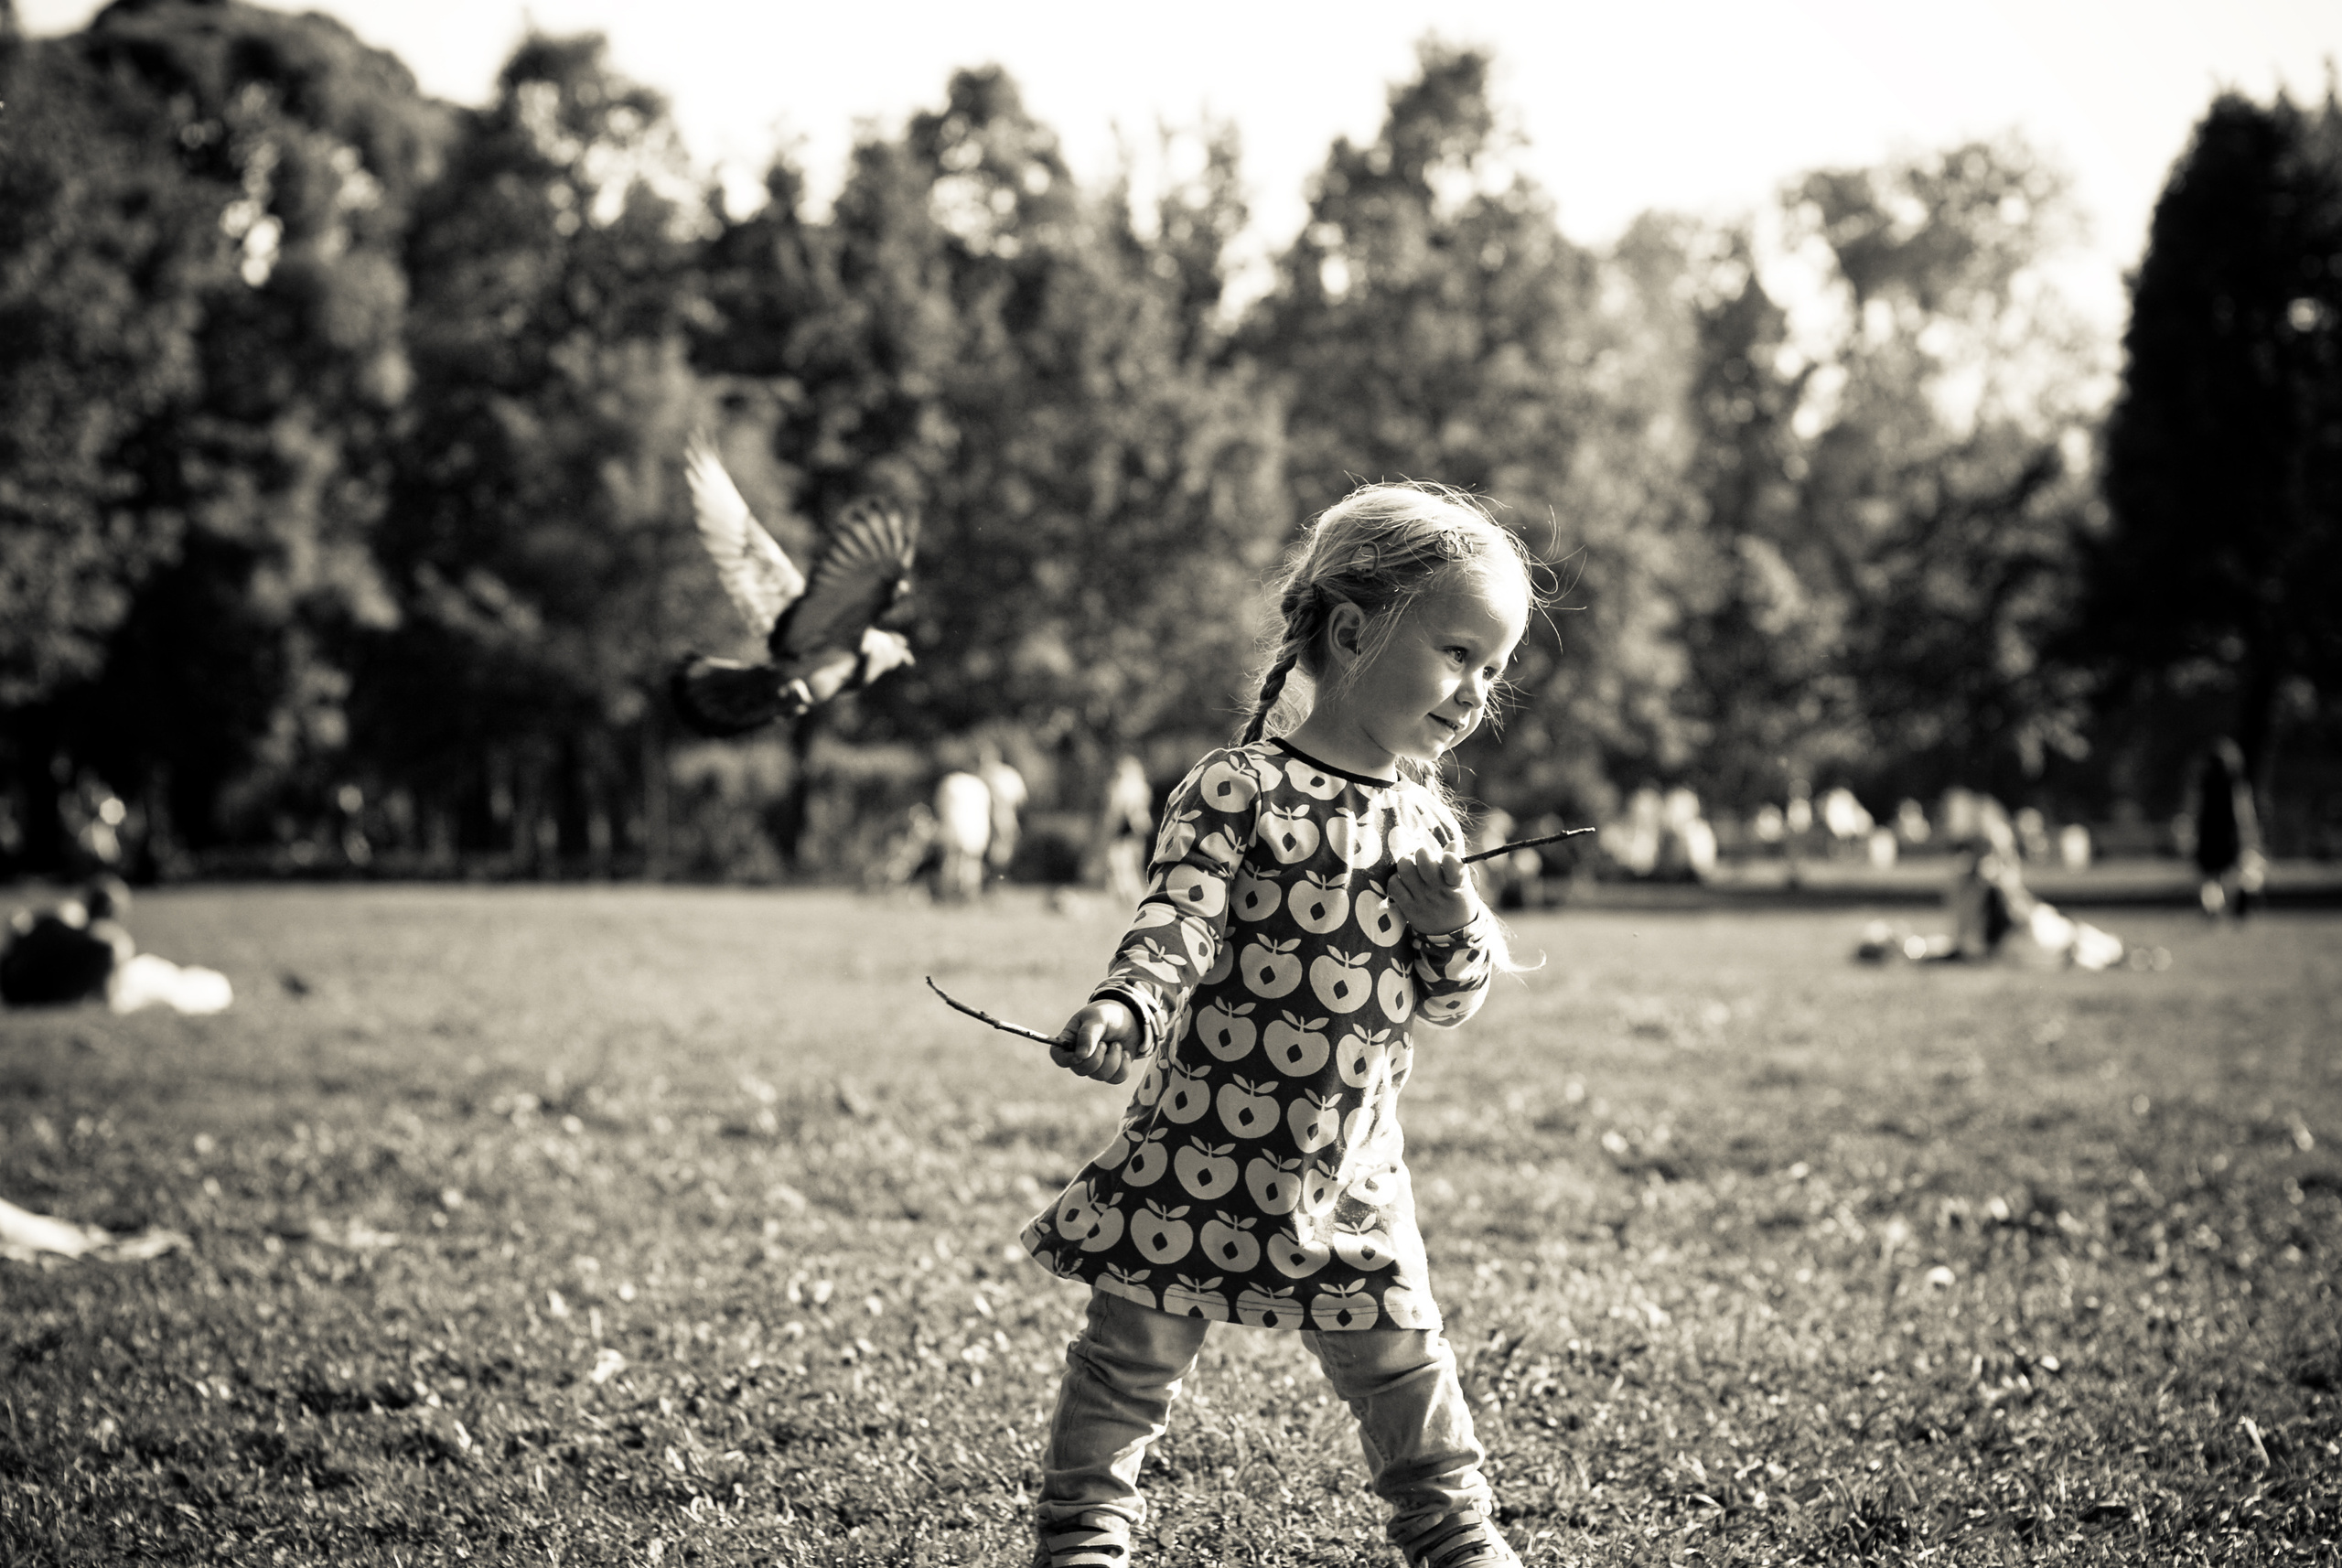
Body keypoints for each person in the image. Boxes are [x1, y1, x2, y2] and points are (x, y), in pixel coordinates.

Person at [1017, 481, 1539, 1568]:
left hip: (1349, 1173)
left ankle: (1459, 1541)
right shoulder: (1238, 787)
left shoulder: (1427, 826)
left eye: (1492, 670)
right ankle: (1082, 1540)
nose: (1475, 692)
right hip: (1196, 1151)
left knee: (1407, 1372)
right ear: (1351, 633)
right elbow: (1180, 917)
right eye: (1456, 654)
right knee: (1127, 1362)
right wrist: (1127, 1002)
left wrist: (1451, 920)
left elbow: (1452, 997)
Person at [2189, 737, 2264, 919]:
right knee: (2233, 872)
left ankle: (2215, 907)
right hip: (2228, 837)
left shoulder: (2205, 785)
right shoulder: (2235, 784)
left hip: (2209, 837)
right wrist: (2251, 836)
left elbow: (2195, 810)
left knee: (2211, 877)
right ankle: (2237, 900)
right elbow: (2243, 814)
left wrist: (2192, 834)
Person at [1099, 755, 1154, 909]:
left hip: (1125, 830)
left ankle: (1131, 897)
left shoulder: (1125, 787)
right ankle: (1130, 897)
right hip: (1135, 830)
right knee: (1131, 865)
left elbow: (1118, 811)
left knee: (1123, 865)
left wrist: (1110, 828)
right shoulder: (1141, 786)